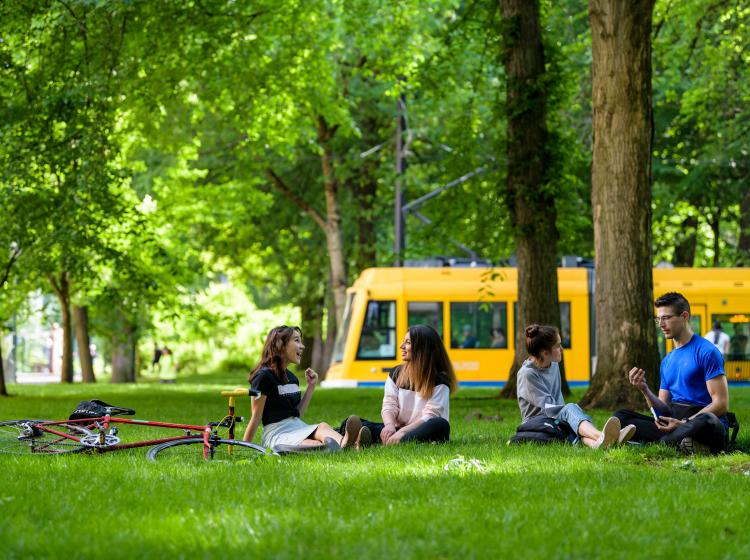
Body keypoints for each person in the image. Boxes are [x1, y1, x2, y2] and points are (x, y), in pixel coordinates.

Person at [615, 292, 729, 455]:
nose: (661, 324)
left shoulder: (707, 352)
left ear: (684, 316)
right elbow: (664, 407)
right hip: (674, 423)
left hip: (701, 423)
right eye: (658, 319)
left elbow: (721, 404)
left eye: (666, 318)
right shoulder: (667, 361)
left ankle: (663, 443)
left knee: (708, 421)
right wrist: (644, 389)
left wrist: (683, 423)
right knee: (621, 416)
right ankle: (682, 443)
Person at [242, 326, 364, 451]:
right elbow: (256, 417)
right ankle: (346, 444)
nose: (302, 346)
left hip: (297, 427)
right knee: (314, 445)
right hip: (277, 434)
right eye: (296, 341)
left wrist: (311, 386)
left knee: (322, 427)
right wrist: (243, 448)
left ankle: (346, 445)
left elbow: (297, 414)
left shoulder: (292, 378)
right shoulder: (263, 377)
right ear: (281, 345)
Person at [517, 324, 634, 449]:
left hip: (555, 416)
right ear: (545, 353)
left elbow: (557, 404)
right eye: (557, 346)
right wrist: (569, 414)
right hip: (535, 423)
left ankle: (600, 444)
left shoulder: (553, 365)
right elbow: (550, 407)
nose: (562, 349)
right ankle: (602, 436)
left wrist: (570, 418)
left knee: (574, 420)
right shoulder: (527, 374)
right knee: (570, 411)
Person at [353, 325, 457, 445]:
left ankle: (381, 441)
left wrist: (403, 432)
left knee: (439, 424)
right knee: (357, 423)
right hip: (397, 430)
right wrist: (389, 425)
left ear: (422, 348)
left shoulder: (440, 380)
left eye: (407, 343)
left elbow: (430, 415)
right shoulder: (395, 373)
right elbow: (389, 404)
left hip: (422, 430)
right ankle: (344, 439)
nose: (401, 346)